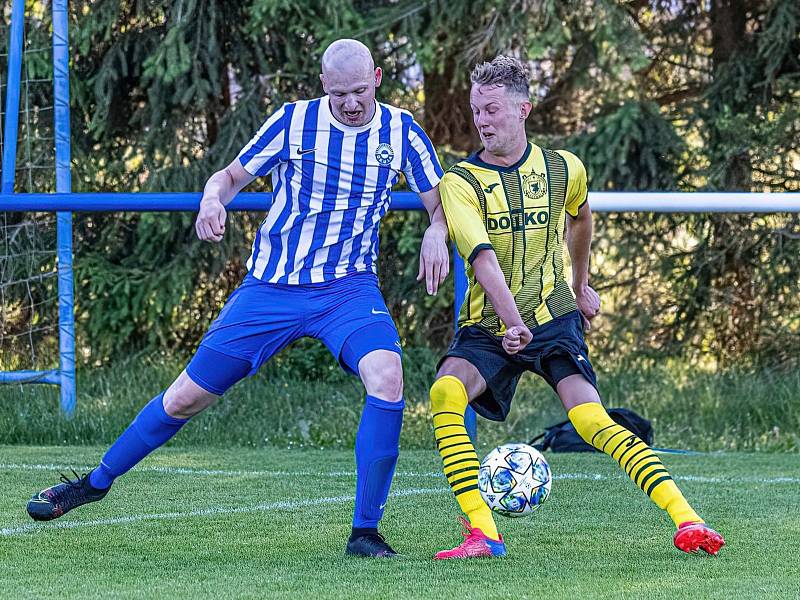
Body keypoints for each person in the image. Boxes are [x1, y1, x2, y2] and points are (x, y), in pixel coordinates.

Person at [26, 39, 450, 558]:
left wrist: (436, 229)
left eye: (361, 91)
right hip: (270, 288)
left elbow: (439, 206)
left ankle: (365, 533)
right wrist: (210, 201)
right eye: (340, 94)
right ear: (323, 86)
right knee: (186, 397)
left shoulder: (403, 132)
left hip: (348, 290)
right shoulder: (293, 122)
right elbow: (228, 177)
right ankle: (93, 483)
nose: (352, 103)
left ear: (378, 78)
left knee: (387, 376)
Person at [429, 55, 725, 559]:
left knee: (592, 421)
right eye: (476, 110)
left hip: (554, 317)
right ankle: (484, 534)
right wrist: (512, 323)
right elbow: (481, 257)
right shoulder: (460, 182)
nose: (481, 120)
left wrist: (582, 285)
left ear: (523, 109)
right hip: (489, 325)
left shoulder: (565, 168)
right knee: (445, 393)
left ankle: (689, 521)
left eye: (492, 110)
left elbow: (581, 221)